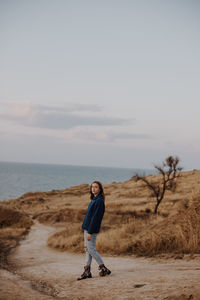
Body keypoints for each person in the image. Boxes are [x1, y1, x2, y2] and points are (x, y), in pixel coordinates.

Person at [77, 181, 111, 280]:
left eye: (96, 187)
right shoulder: (94, 199)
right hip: (87, 228)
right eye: (92, 187)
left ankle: (103, 268)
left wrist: (90, 232)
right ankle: (87, 272)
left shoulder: (99, 201)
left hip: (91, 230)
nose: (93, 189)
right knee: (87, 250)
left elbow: (95, 218)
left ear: (100, 189)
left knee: (91, 249)